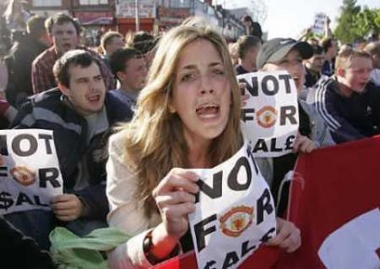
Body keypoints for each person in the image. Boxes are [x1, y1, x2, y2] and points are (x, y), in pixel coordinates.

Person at [106, 25, 301, 268]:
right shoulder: (128, 150)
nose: (207, 86)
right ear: (169, 100)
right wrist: (164, 234)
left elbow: (244, 225)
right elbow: (116, 260)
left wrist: (274, 227)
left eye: (217, 72)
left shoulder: (244, 136)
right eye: (188, 76)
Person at [8, 50, 133, 249]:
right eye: (83, 81)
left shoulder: (122, 117)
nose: (94, 88)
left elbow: (131, 182)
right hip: (43, 211)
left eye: (97, 78)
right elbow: (15, 173)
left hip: (96, 214)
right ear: (64, 88)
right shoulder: (37, 112)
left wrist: (84, 204)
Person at [255, 38, 335, 215]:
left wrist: (316, 152)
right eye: (284, 61)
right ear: (261, 74)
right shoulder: (239, 116)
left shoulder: (310, 114)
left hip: (303, 222)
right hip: (258, 230)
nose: (296, 68)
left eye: (298, 61)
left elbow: (333, 164)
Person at [31, 13, 114, 94]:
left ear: (77, 36)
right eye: (59, 33)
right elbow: (44, 97)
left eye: (69, 32)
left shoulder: (92, 56)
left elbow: (109, 82)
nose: (65, 37)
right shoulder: (42, 63)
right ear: (50, 37)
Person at [312, 49, 380, 144]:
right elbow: (330, 124)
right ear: (341, 72)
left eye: (369, 71)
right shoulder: (323, 92)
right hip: (338, 148)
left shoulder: (371, 87)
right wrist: (366, 144)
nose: (366, 76)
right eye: (360, 71)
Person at [4, 15, 50, 108]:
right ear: (45, 34)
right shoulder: (28, 51)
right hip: (26, 98)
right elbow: (27, 82)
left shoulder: (23, 45)